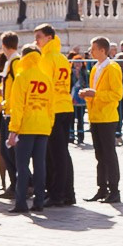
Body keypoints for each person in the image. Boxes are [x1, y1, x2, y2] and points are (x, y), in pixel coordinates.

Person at [6, 44, 55, 214]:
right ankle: (39, 202)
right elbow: (51, 106)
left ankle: (21, 203)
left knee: (22, 165)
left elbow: (17, 106)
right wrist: (49, 124)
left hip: (26, 126)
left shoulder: (22, 76)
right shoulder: (46, 77)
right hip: (42, 126)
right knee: (40, 165)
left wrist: (13, 129)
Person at [33, 24, 76, 208]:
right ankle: (68, 192)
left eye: (39, 37)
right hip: (65, 106)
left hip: (54, 109)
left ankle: (57, 193)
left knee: (54, 154)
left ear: (49, 38)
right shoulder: (61, 57)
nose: (37, 41)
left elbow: (44, 87)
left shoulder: (46, 59)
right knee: (63, 152)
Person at [80, 37, 123, 203]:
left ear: (102, 50)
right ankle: (102, 188)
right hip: (96, 116)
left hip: (107, 117)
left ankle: (114, 188)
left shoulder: (112, 68)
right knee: (100, 155)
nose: (91, 52)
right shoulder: (96, 67)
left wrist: (95, 94)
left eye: (93, 49)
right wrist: (87, 95)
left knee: (109, 154)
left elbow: (116, 94)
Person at [0, 31, 21, 200]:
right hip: (8, 110)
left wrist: (3, 104)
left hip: (11, 113)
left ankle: (19, 183)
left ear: (3, 46)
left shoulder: (15, 62)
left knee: (8, 150)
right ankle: (20, 182)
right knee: (9, 150)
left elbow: (18, 88)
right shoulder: (13, 61)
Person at [70, 54, 88, 144]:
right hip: (72, 98)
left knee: (80, 118)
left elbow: (86, 84)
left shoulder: (85, 72)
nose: (77, 65)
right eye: (76, 63)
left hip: (81, 98)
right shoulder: (70, 73)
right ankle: (71, 136)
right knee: (72, 118)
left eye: (79, 63)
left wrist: (79, 76)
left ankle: (81, 137)